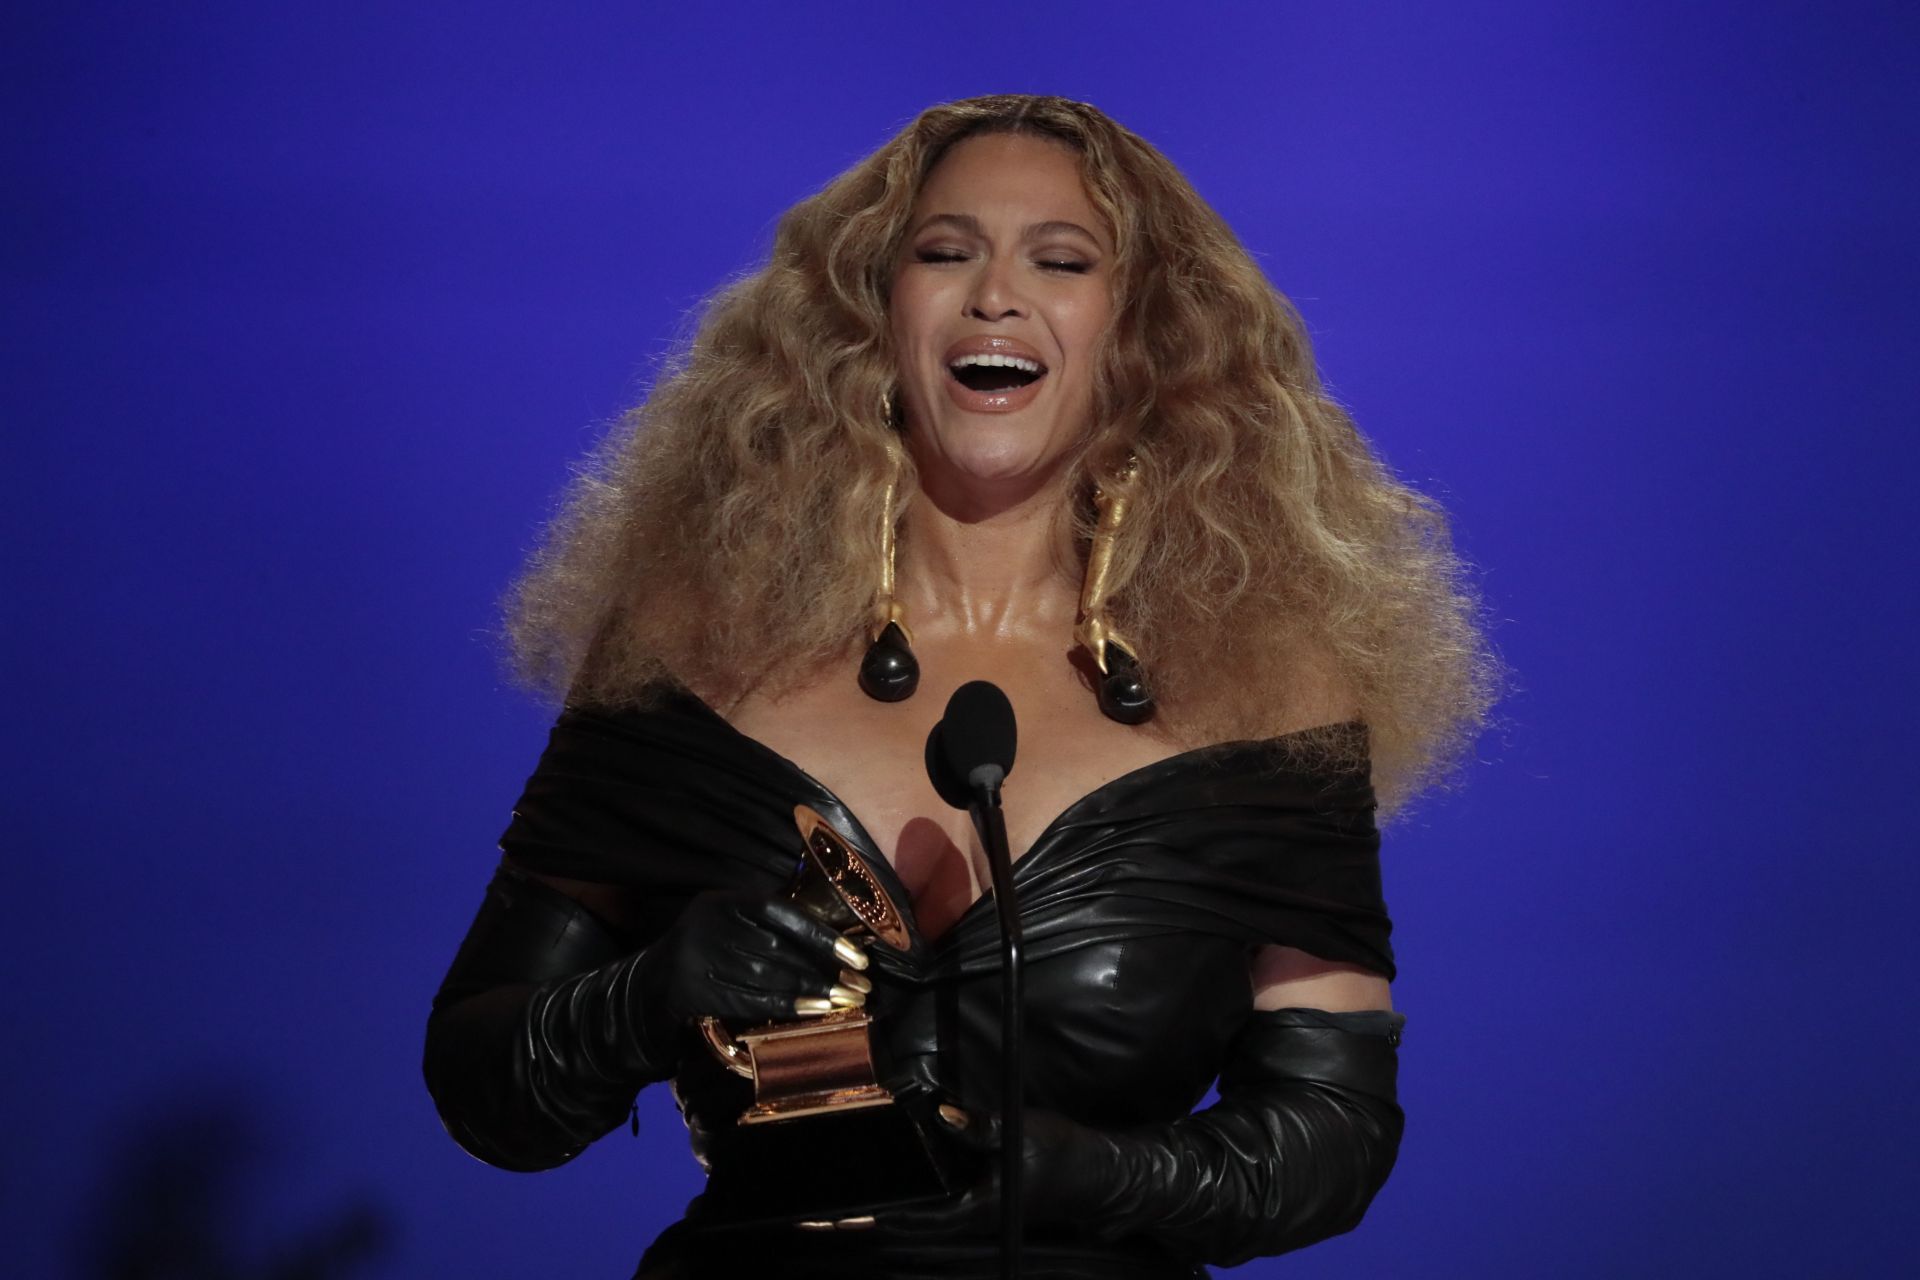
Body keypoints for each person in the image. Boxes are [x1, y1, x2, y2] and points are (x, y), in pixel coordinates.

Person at [424, 94, 1499, 1278]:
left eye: (1061, 258)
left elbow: (1334, 1129)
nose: (996, 293)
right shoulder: (690, 644)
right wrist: (640, 1001)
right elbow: (485, 1087)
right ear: (871, 318)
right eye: (945, 252)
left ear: (1137, 333)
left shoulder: (1271, 689)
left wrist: (1085, 1172)